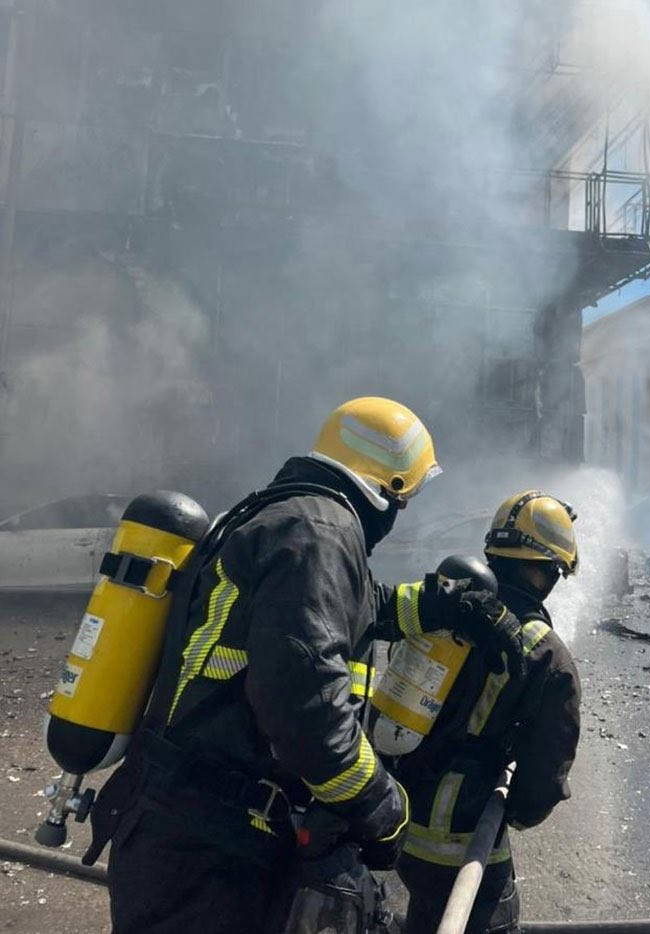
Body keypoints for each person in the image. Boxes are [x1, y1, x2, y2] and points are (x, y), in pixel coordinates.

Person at [83, 396, 527, 934]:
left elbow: (352, 611)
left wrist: (450, 604)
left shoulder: (281, 514)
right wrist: (380, 807)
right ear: (389, 488)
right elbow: (304, 706)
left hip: (184, 825)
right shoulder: (319, 533)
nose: (401, 513)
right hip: (210, 848)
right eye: (404, 499)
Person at [395, 491, 582, 934]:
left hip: (393, 818)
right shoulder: (546, 652)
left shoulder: (444, 607)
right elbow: (547, 769)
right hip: (464, 841)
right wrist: (515, 812)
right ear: (545, 573)